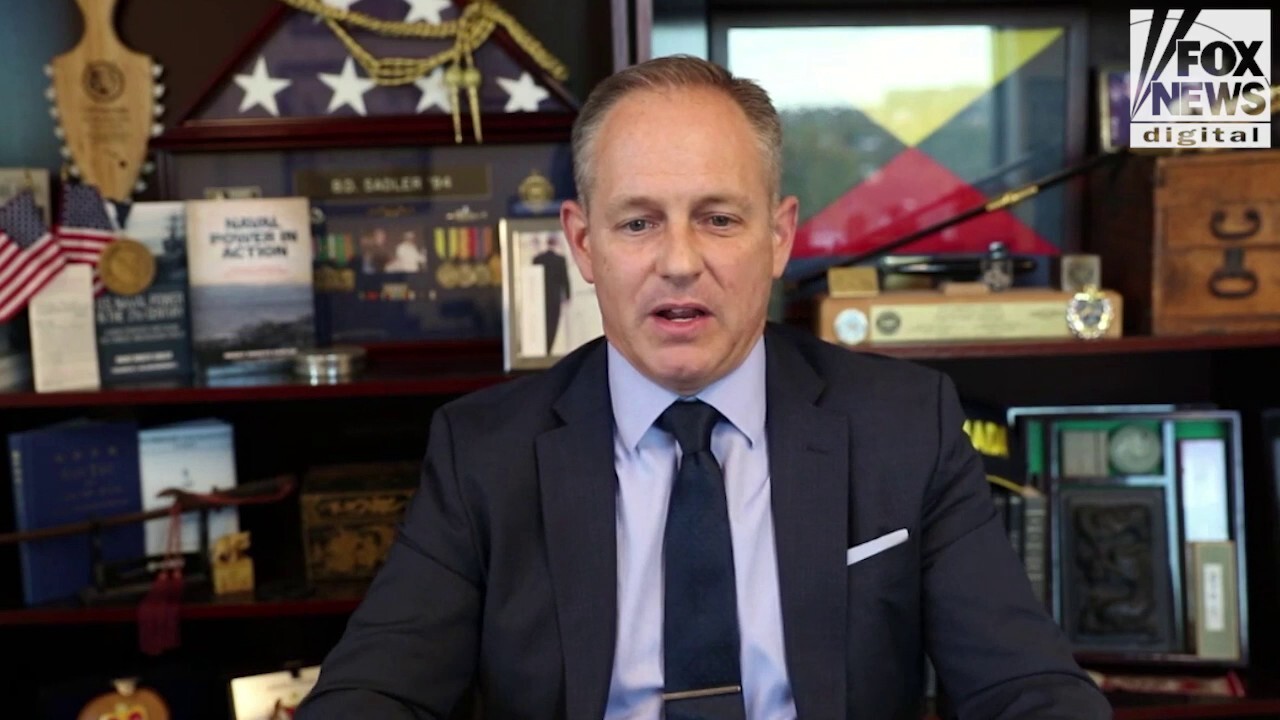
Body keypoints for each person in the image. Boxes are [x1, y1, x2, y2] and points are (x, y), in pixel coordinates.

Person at [296, 55, 1112, 719]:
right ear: (582, 242)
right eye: (638, 222)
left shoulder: (906, 426)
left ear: (779, 235)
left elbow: (1027, 687)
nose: (680, 262)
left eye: (719, 218)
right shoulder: (484, 453)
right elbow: (375, 691)